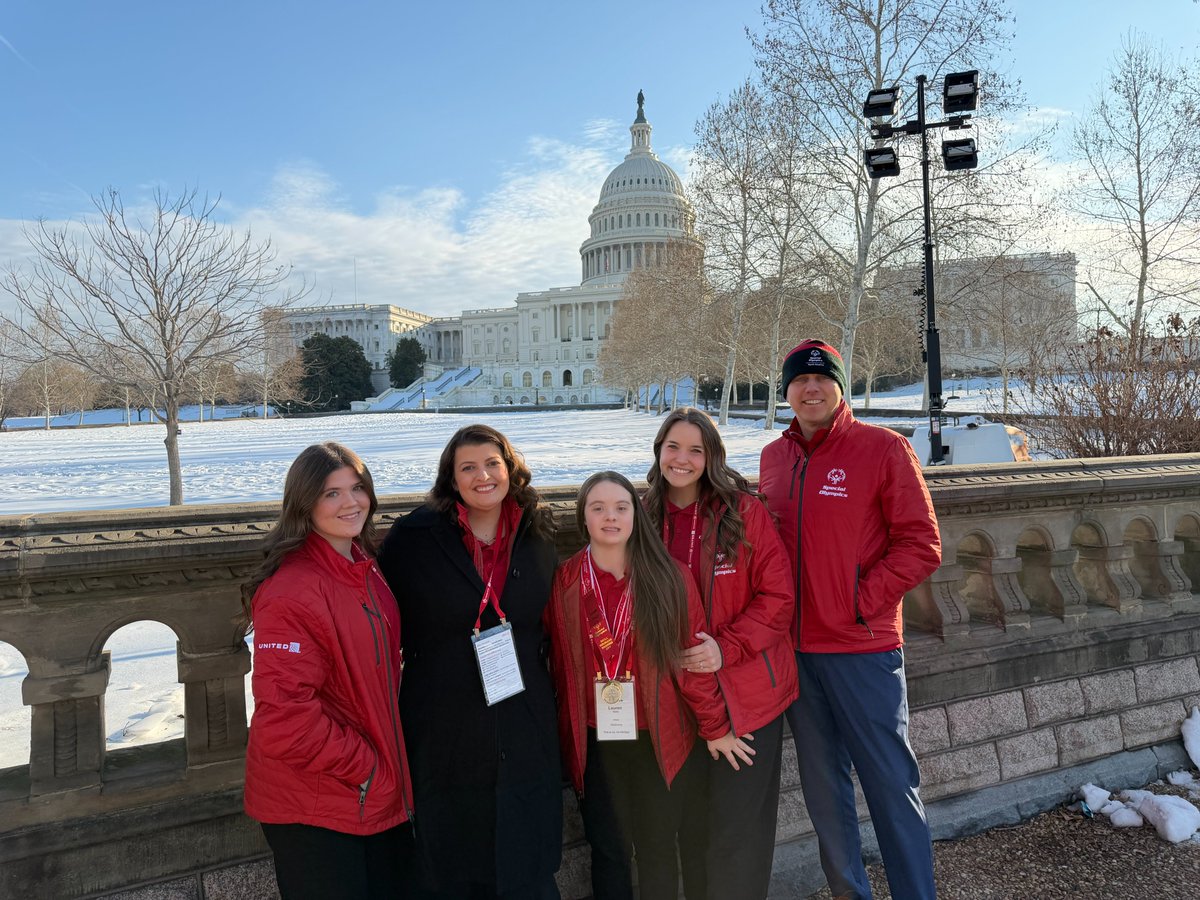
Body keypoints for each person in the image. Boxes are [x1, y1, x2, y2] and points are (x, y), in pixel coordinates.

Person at [758, 340, 942, 900]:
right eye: (798, 381)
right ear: (786, 390)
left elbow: (921, 544)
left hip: (863, 653)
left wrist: (859, 603)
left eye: (822, 379)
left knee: (891, 787)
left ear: (838, 386)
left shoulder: (883, 449)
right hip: (797, 655)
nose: (810, 390)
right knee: (824, 794)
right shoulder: (773, 457)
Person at [377, 424, 562, 899]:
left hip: (523, 720)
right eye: (468, 467)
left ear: (509, 468)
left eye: (492, 464)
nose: (483, 476)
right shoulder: (414, 538)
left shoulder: (536, 531)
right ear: (451, 479)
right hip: (445, 727)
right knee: (454, 860)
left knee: (527, 860)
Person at [545, 471, 733, 900]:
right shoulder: (565, 582)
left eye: (621, 507)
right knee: (608, 850)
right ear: (584, 517)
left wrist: (715, 726)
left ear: (637, 515)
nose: (610, 517)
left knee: (657, 847)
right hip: (596, 741)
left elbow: (692, 664)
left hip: (659, 737)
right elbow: (554, 661)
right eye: (598, 508)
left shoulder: (670, 577)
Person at [242, 442, 413, 900]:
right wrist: (369, 770)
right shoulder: (293, 588)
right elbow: (286, 720)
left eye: (357, 488)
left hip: (368, 793)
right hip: (319, 802)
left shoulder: (362, 566)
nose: (351, 502)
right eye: (331, 493)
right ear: (305, 503)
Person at [645, 408, 798, 900]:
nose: (683, 459)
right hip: (677, 700)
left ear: (712, 456)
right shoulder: (642, 515)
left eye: (696, 449)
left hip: (747, 695)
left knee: (737, 833)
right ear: (659, 451)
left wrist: (725, 648)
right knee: (690, 829)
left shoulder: (742, 511)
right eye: (673, 447)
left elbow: (779, 598)